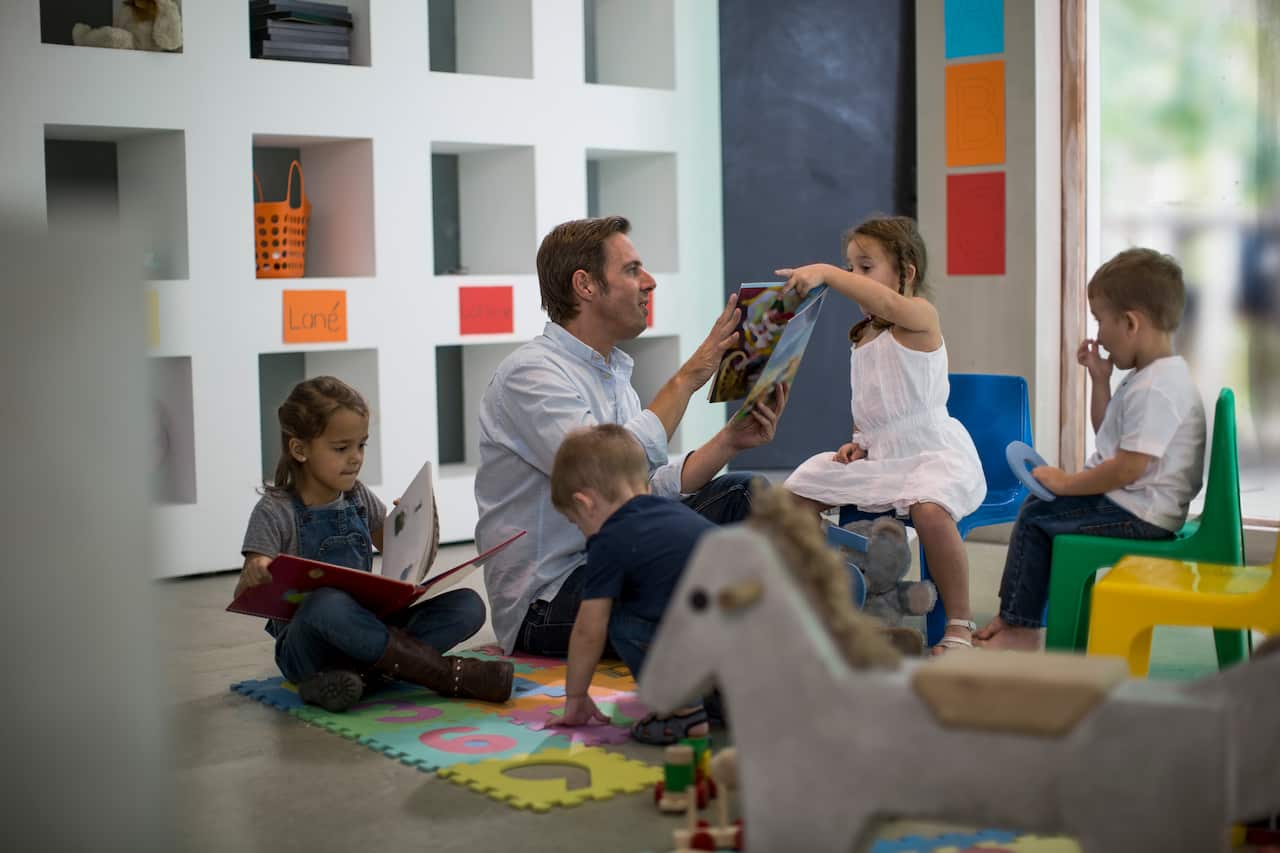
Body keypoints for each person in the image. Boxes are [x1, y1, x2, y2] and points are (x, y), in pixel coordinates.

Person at [475, 215, 786, 657]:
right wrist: (688, 378)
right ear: (585, 285)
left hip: (618, 557)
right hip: (550, 600)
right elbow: (602, 475)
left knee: (743, 491)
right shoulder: (530, 374)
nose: (649, 282)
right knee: (692, 580)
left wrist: (729, 442)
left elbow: (644, 491)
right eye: (631, 269)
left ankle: (797, 615)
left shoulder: (613, 375)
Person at [233, 376, 514, 712]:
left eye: (361, 445)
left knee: (468, 605)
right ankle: (444, 675)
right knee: (326, 603)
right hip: (307, 648)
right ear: (299, 449)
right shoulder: (275, 509)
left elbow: (399, 552)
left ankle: (354, 679)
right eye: (341, 448)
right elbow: (252, 574)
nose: (355, 458)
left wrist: (418, 525)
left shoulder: (358, 498)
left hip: (368, 631)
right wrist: (256, 570)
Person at [975, 248, 1206, 650]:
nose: (1097, 335)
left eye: (1101, 321)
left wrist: (1067, 483)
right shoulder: (1149, 378)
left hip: (1143, 514)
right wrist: (1100, 380)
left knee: (1037, 516)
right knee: (1039, 509)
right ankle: (1016, 619)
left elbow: (1126, 469)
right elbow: (1110, 437)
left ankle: (1020, 628)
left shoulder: (1158, 389)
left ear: (1131, 322)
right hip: (1138, 505)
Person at [777, 215, 986, 653]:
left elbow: (888, 307)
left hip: (931, 452)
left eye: (864, 268)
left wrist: (828, 275)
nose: (854, 278)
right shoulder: (863, 337)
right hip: (882, 458)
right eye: (849, 267)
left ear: (906, 272)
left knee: (930, 511)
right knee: (795, 496)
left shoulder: (920, 317)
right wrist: (859, 441)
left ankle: (960, 624)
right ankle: (851, 583)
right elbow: (871, 407)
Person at [547, 425, 715, 745]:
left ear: (585, 504)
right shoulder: (675, 512)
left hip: (707, 637)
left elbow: (588, 629)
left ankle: (684, 713)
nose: (582, 532)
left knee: (621, 620)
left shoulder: (609, 539)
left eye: (576, 523)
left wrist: (576, 696)